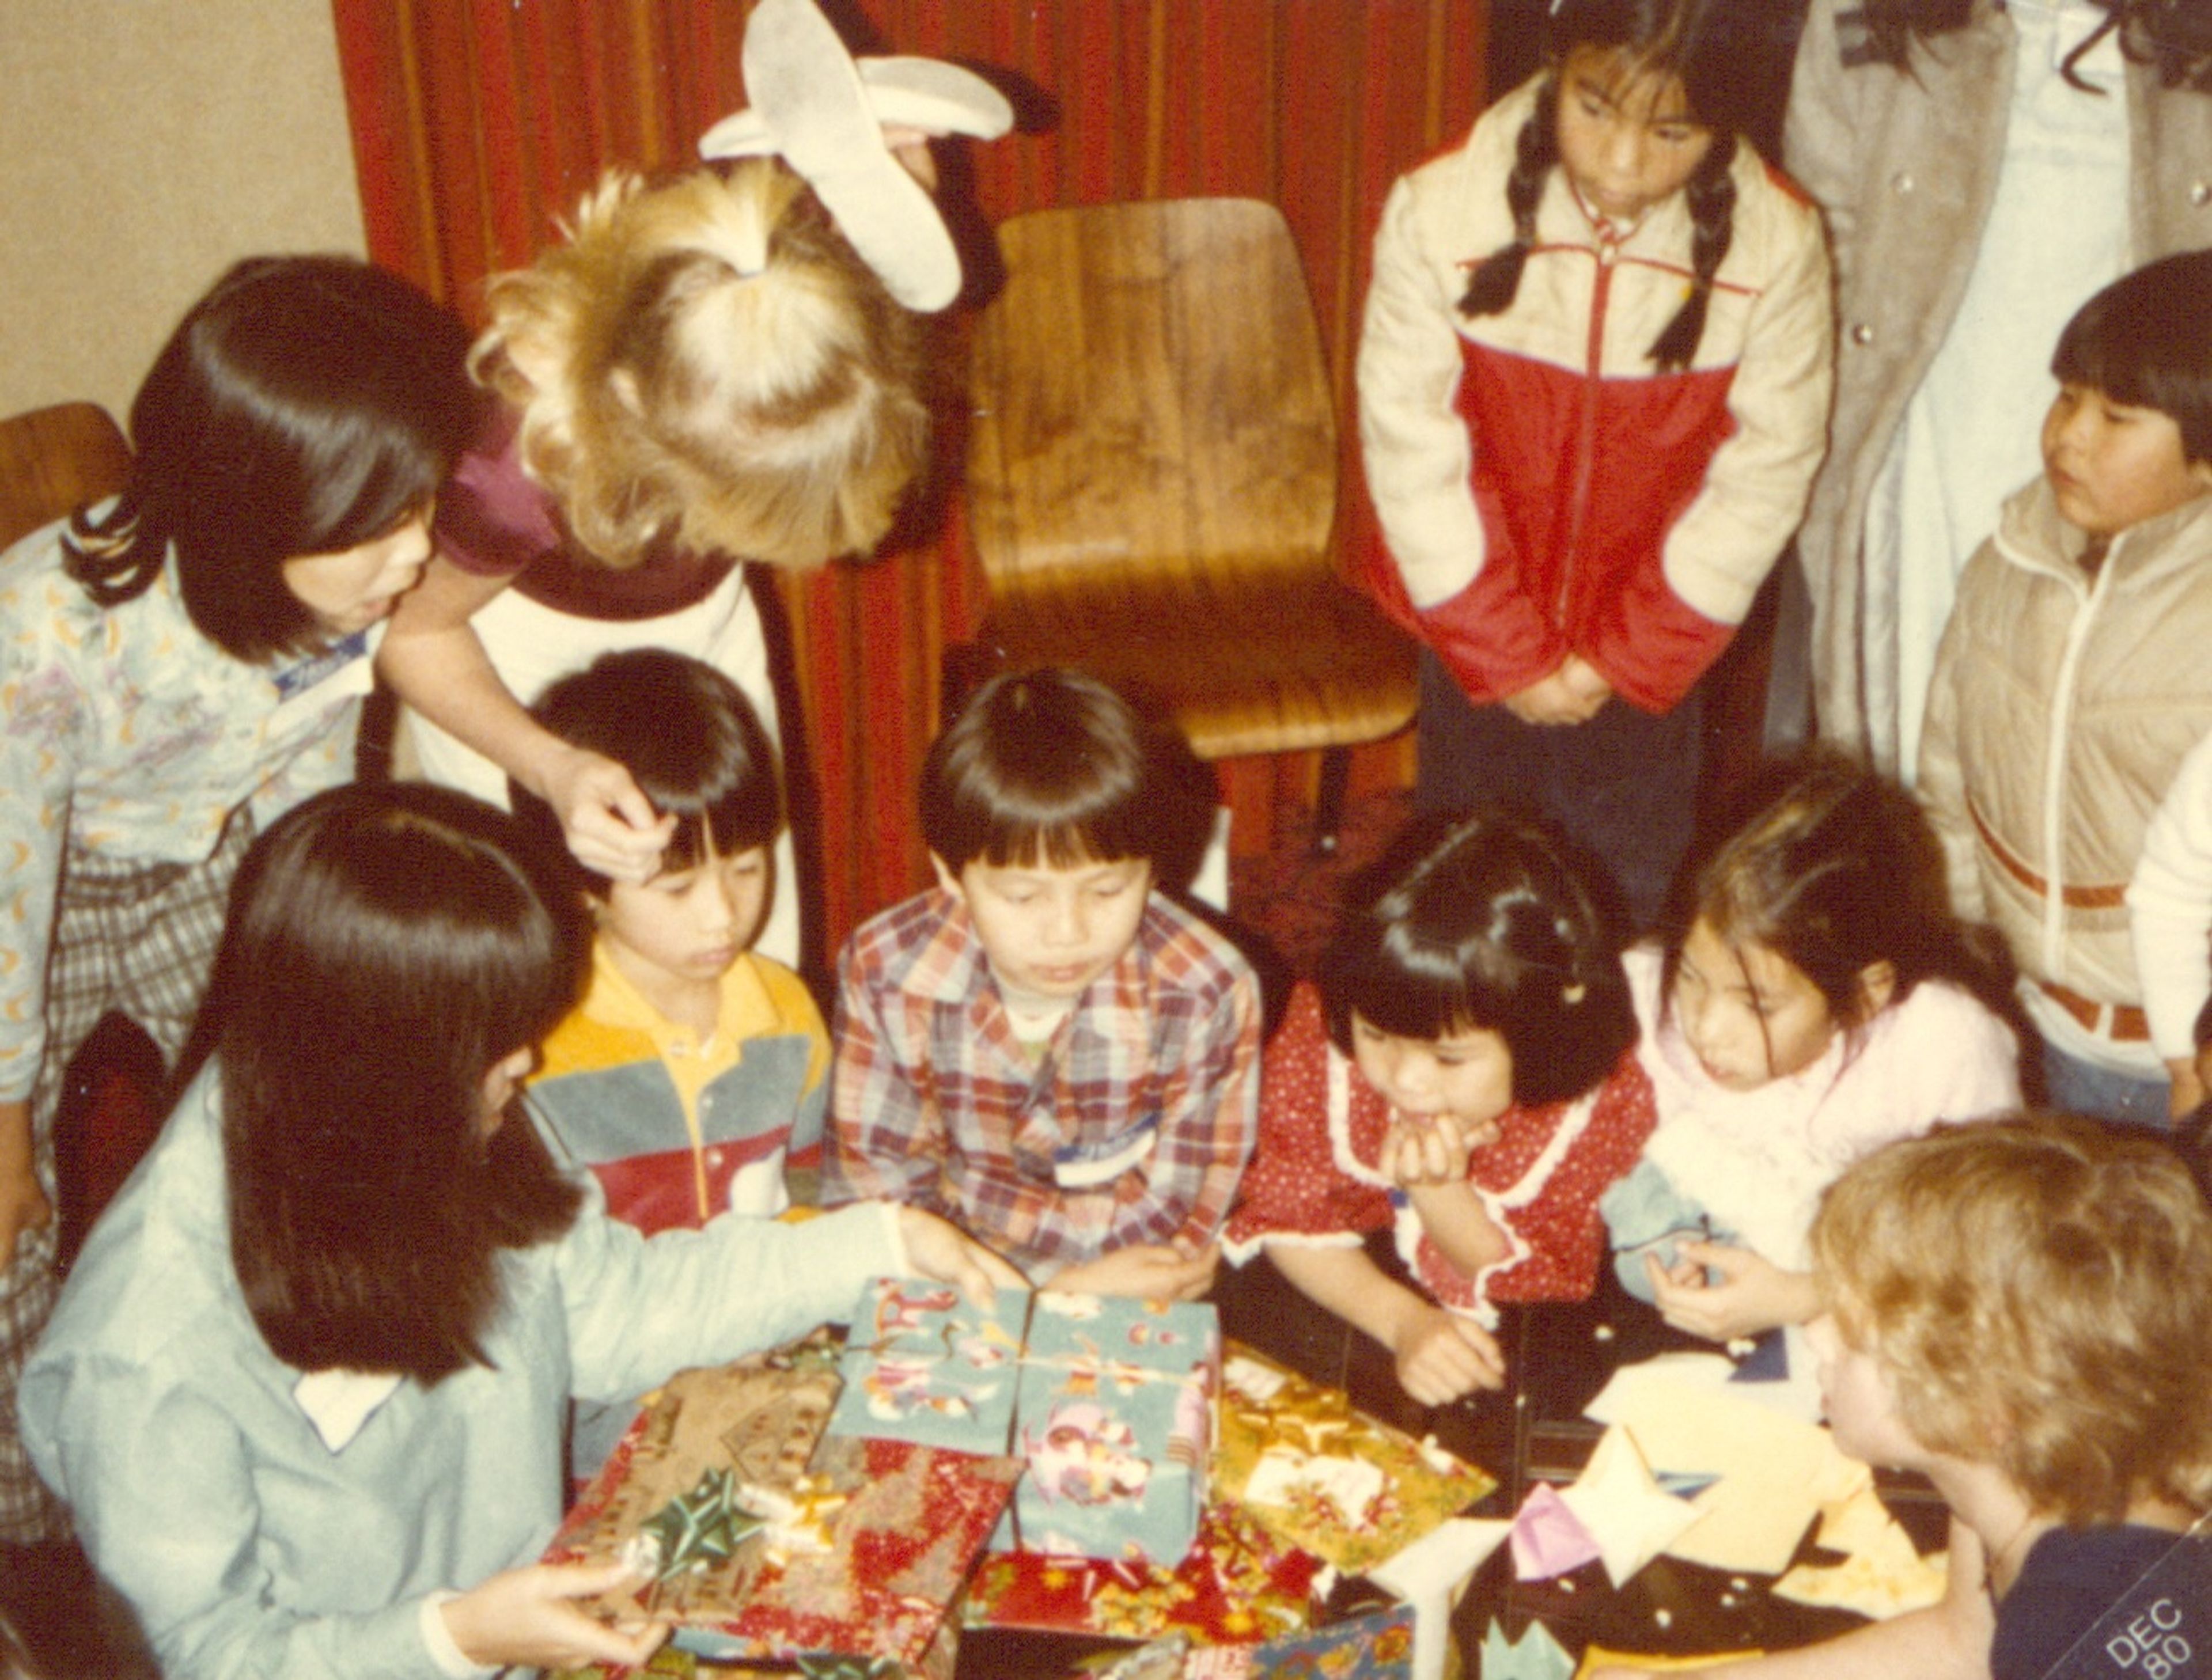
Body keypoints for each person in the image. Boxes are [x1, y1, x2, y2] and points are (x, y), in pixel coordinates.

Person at [17, 782, 1017, 1680]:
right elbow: (202, 1655)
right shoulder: (147, 1344)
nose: (528, 1060)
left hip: (534, 1617)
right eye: (493, 1041)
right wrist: (454, 1638)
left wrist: (883, 1241)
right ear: (374, 1050)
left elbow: (616, 1307)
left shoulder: (442, 1102)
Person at [0, 256, 480, 1546]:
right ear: (245, 508)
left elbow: (307, 805)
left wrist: (322, 993)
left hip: (205, 861)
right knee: (10, 1212)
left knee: (273, 1126)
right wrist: (4, 1124)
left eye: (424, 505)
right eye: (377, 524)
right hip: (34, 890)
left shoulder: (341, 594)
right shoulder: (50, 632)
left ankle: (236, 1449)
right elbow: (8, 893)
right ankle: (29, 1531)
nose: (420, 551)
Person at [376, 156, 937, 966]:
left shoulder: (765, 302)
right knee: (546, 961)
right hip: (507, 665)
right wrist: (552, 768)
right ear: (639, 417)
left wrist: (899, 170)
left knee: (746, 935)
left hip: (705, 627)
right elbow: (413, 635)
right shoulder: (514, 473)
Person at [1357, 0, 1831, 928]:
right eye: (1595, 109)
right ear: (1555, 59)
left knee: (1632, 896)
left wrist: (1625, 657)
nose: (1623, 165)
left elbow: (1769, 465)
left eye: (1673, 132)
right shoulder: (1442, 202)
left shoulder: (1779, 239)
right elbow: (1412, 442)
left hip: (1647, 640)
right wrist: (1511, 654)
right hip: (1476, 626)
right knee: (1464, 890)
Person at [1594, 1116, 2212, 1680]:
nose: (1814, 1331)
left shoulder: (2084, 1633)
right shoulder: (2018, 1473)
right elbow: (1963, 1644)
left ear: (1978, 1410)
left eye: (1854, 1333)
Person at [1787, 0, 2212, 781]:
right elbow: (1827, 213)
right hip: (1931, 412)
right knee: (1927, 686)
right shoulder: (1867, 15)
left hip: (2132, 414)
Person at [823, 667, 1261, 1302]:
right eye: (1023, 896)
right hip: (956, 1269)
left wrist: (1088, 1290)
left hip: (1133, 1272)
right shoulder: (887, 967)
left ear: (1154, 869)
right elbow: (876, 1193)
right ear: (950, 874)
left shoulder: (1206, 989)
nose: (1066, 932)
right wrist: (1055, 1286)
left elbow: (1183, 1202)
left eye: (1108, 889)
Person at [1222, 812, 1656, 1408]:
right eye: (1376, 1036)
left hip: (1494, 1275)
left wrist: (1438, 1190)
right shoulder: (1321, 1040)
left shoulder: (1595, 1102)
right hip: (1340, 1272)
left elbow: (1527, 1278)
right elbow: (1289, 1213)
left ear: (1539, 1037)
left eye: (1448, 1059)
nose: (1404, 1080)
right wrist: (1403, 1322)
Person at [1921, 250, 2212, 1130]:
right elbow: (1947, 779)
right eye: (2067, 397)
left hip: (2180, 1065)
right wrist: (1969, 968)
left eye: (2117, 416)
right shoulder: (2009, 561)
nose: (2068, 436)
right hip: (2034, 1029)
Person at [1603, 755, 2021, 1344]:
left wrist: (1807, 1294)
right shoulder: (1643, 990)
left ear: (1865, 992)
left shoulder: (1944, 1046)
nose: (1706, 1029)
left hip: (1874, 1312)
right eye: (1692, 977)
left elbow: (1985, 1244)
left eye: (1758, 1005)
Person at [509, 650, 826, 1232]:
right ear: (583, 884)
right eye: (677, 888)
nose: (722, 917)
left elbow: (810, 1182)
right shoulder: (538, 1040)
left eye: (748, 868)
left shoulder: (787, 1008)